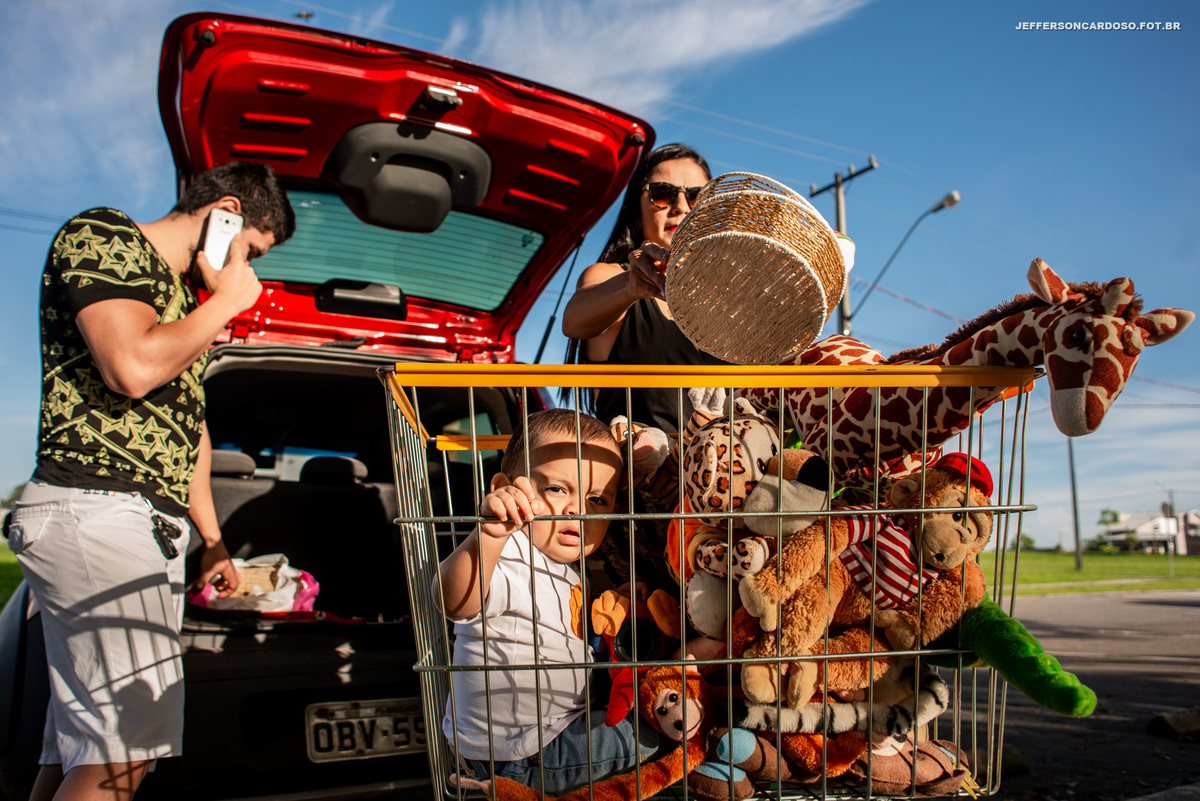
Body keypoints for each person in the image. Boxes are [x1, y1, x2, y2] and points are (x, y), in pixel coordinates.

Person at [7, 161, 294, 801]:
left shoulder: (180, 303)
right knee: (121, 757)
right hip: (97, 507)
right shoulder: (104, 235)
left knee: (83, 753)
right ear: (225, 213)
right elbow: (132, 368)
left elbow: (189, 432)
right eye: (252, 250)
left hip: (139, 526)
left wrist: (213, 542)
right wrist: (226, 301)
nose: (251, 271)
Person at [433, 409, 658, 795]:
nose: (578, 510)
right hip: (522, 754)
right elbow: (456, 602)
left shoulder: (564, 567)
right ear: (508, 488)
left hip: (547, 734)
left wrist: (619, 599)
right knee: (655, 729)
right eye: (557, 489)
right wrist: (487, 538)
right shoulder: (511, 552)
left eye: (598, 499)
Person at [561, 143, 728, 434]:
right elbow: (574, 320)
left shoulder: (732, 299)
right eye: (662, 193)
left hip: (735, 473)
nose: (681, 206)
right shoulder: (612, 277)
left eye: (696, 196)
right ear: (637, 215)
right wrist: (631, 286)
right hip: (643, 476)